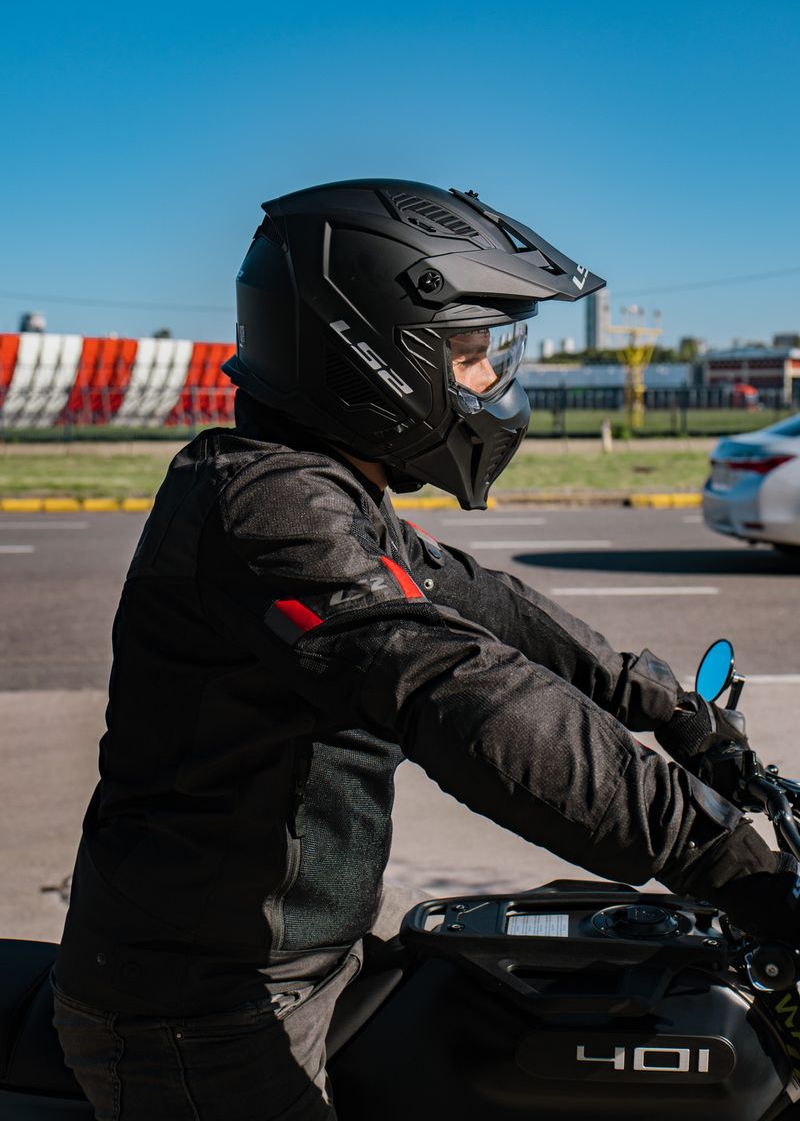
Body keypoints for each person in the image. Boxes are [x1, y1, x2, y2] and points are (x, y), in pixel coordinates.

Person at [53, 180, 800, 1120]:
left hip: (295, 961)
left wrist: (680, 716)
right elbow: (461, 687)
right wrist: (725, 859)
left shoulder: (323, 491)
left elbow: (492, 608)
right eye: (471, 355)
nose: (489, 383)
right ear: (370, 353)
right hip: (200, 1016)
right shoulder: (269, 513)